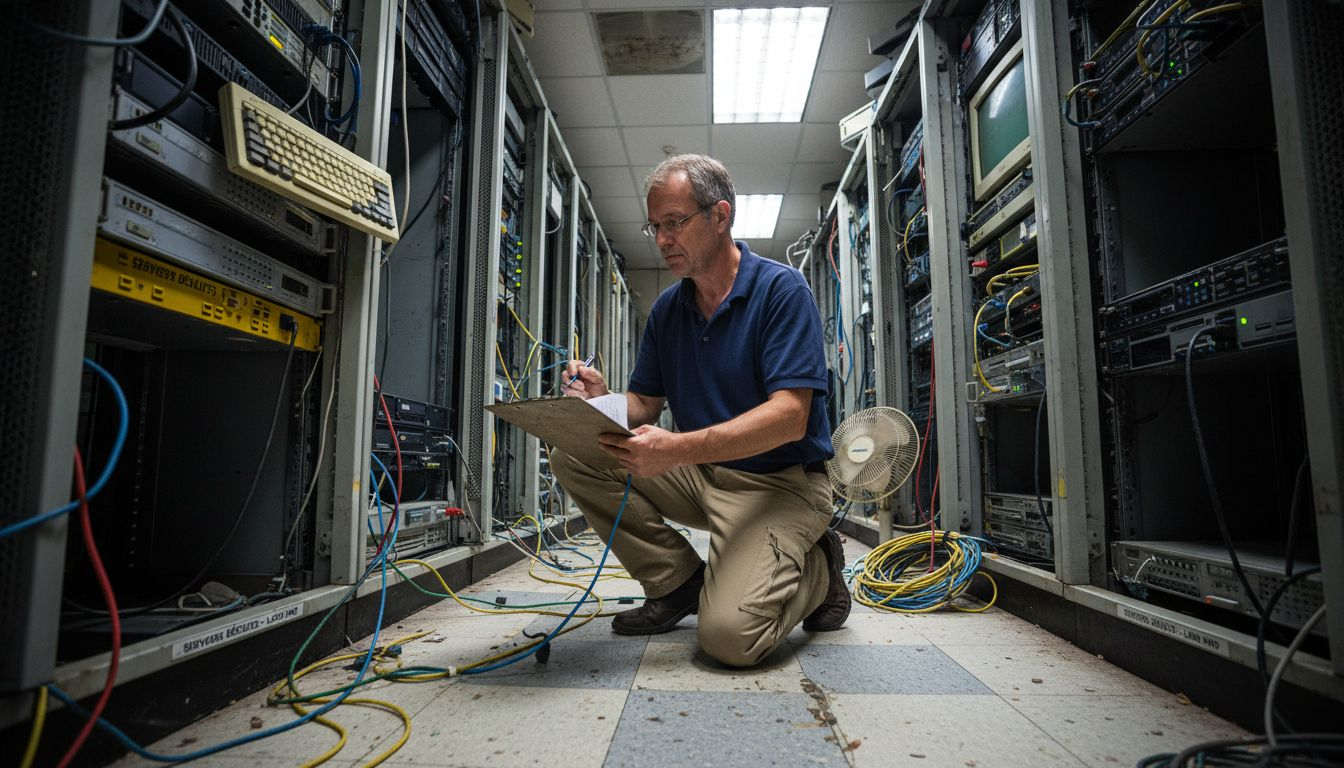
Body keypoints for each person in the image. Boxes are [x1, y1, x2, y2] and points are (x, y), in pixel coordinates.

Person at [551, 154, 849, 668]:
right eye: (656, 227)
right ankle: (679, 582)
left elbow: (790, 416)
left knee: (730, 640)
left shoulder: (781, 291)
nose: (663, 239)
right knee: (576, 453)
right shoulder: (670, 310)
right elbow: (644, 405)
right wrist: (602, 399)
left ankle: (819, 571)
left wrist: (678, 449)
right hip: (704, 474)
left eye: (674, 223)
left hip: (781, 484)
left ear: (720, 216)